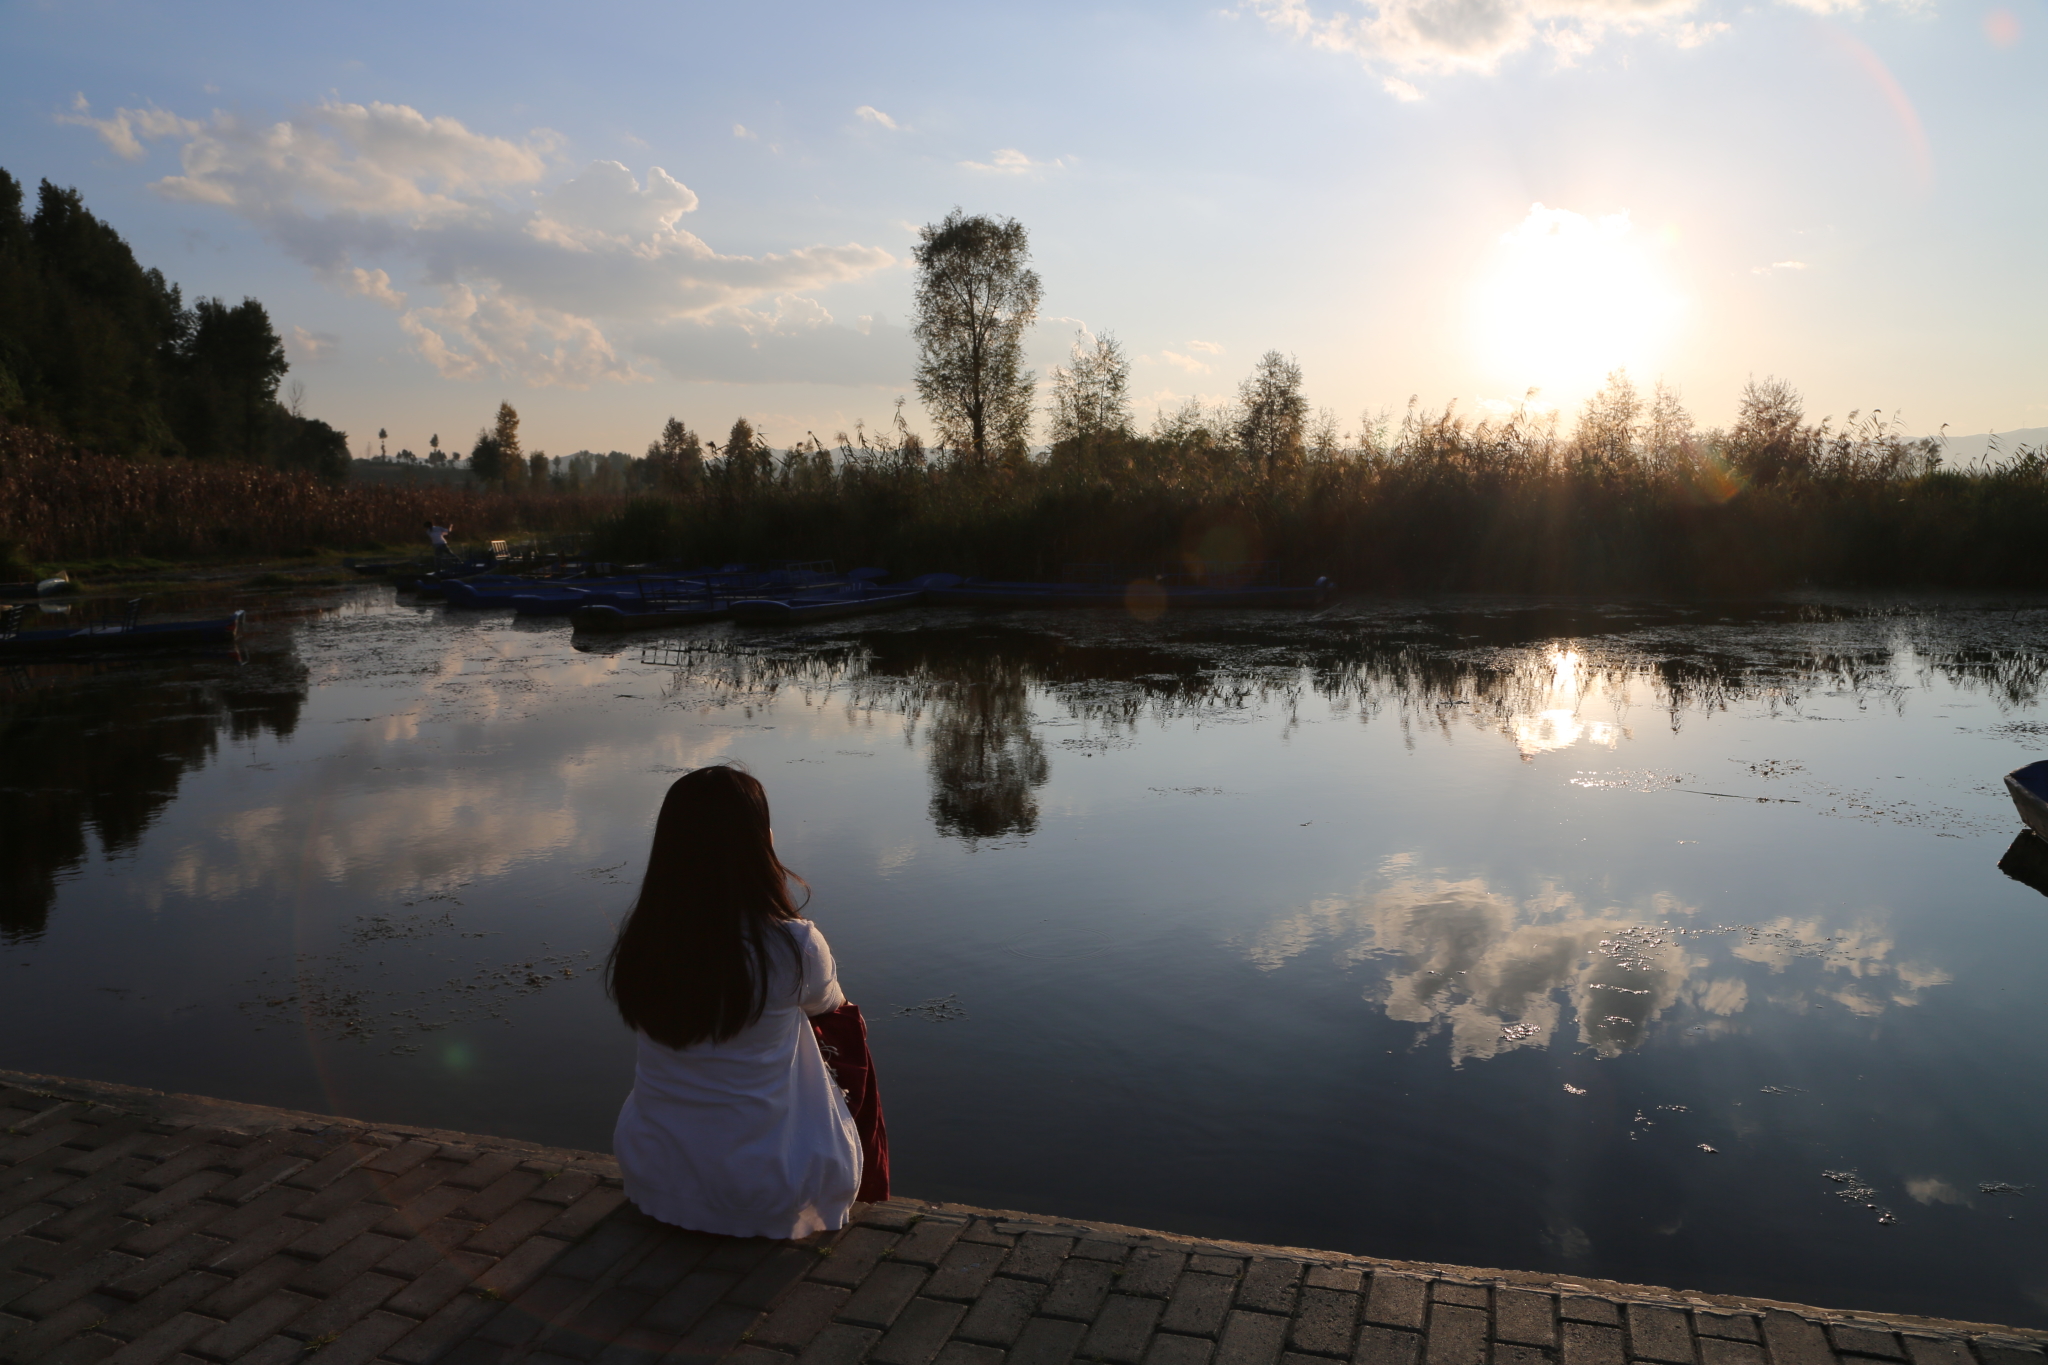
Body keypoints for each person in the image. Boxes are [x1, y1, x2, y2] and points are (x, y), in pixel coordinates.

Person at [607, 766, 870, 1239]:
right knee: (837, 1030)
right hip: (766, 1188)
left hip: (654, 1174)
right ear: (761, 842)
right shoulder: (793, 944)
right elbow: (831, 1007)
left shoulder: (645, 936)